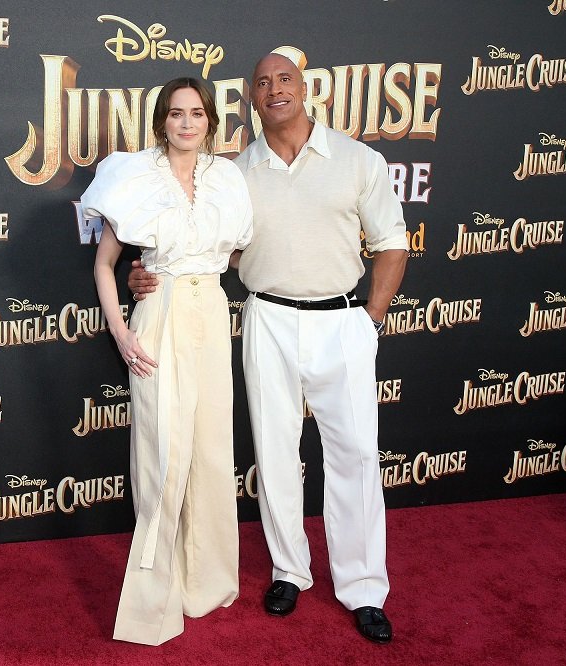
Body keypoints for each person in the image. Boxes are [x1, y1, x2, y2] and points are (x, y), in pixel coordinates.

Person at [128, 52, 408, 644]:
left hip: (341, 319)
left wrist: (369, 322)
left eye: (284, 79)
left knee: (357, 456)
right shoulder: (232, 173)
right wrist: (148, 270)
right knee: (275, 452)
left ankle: (364, 588)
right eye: (262, 82)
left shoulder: (358, 159)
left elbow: (391, 243)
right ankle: (289, 570)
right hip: (267, 317)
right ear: (251, 98)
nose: (274, 89)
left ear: (304, 88)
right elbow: (207, 247)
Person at [84, 77, 253, 646]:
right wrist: (120, 332)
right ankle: (153, 601)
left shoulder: (227, 178)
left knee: (210, 450)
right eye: (177, 113)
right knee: (161, 453)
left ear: (210, 121)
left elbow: (233, 256)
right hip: (159, 314)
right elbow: (105, 263)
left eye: (197, 113)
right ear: (162, 121)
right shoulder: (133, 176)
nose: (187, 123)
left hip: (212, 313)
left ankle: (205, 582)